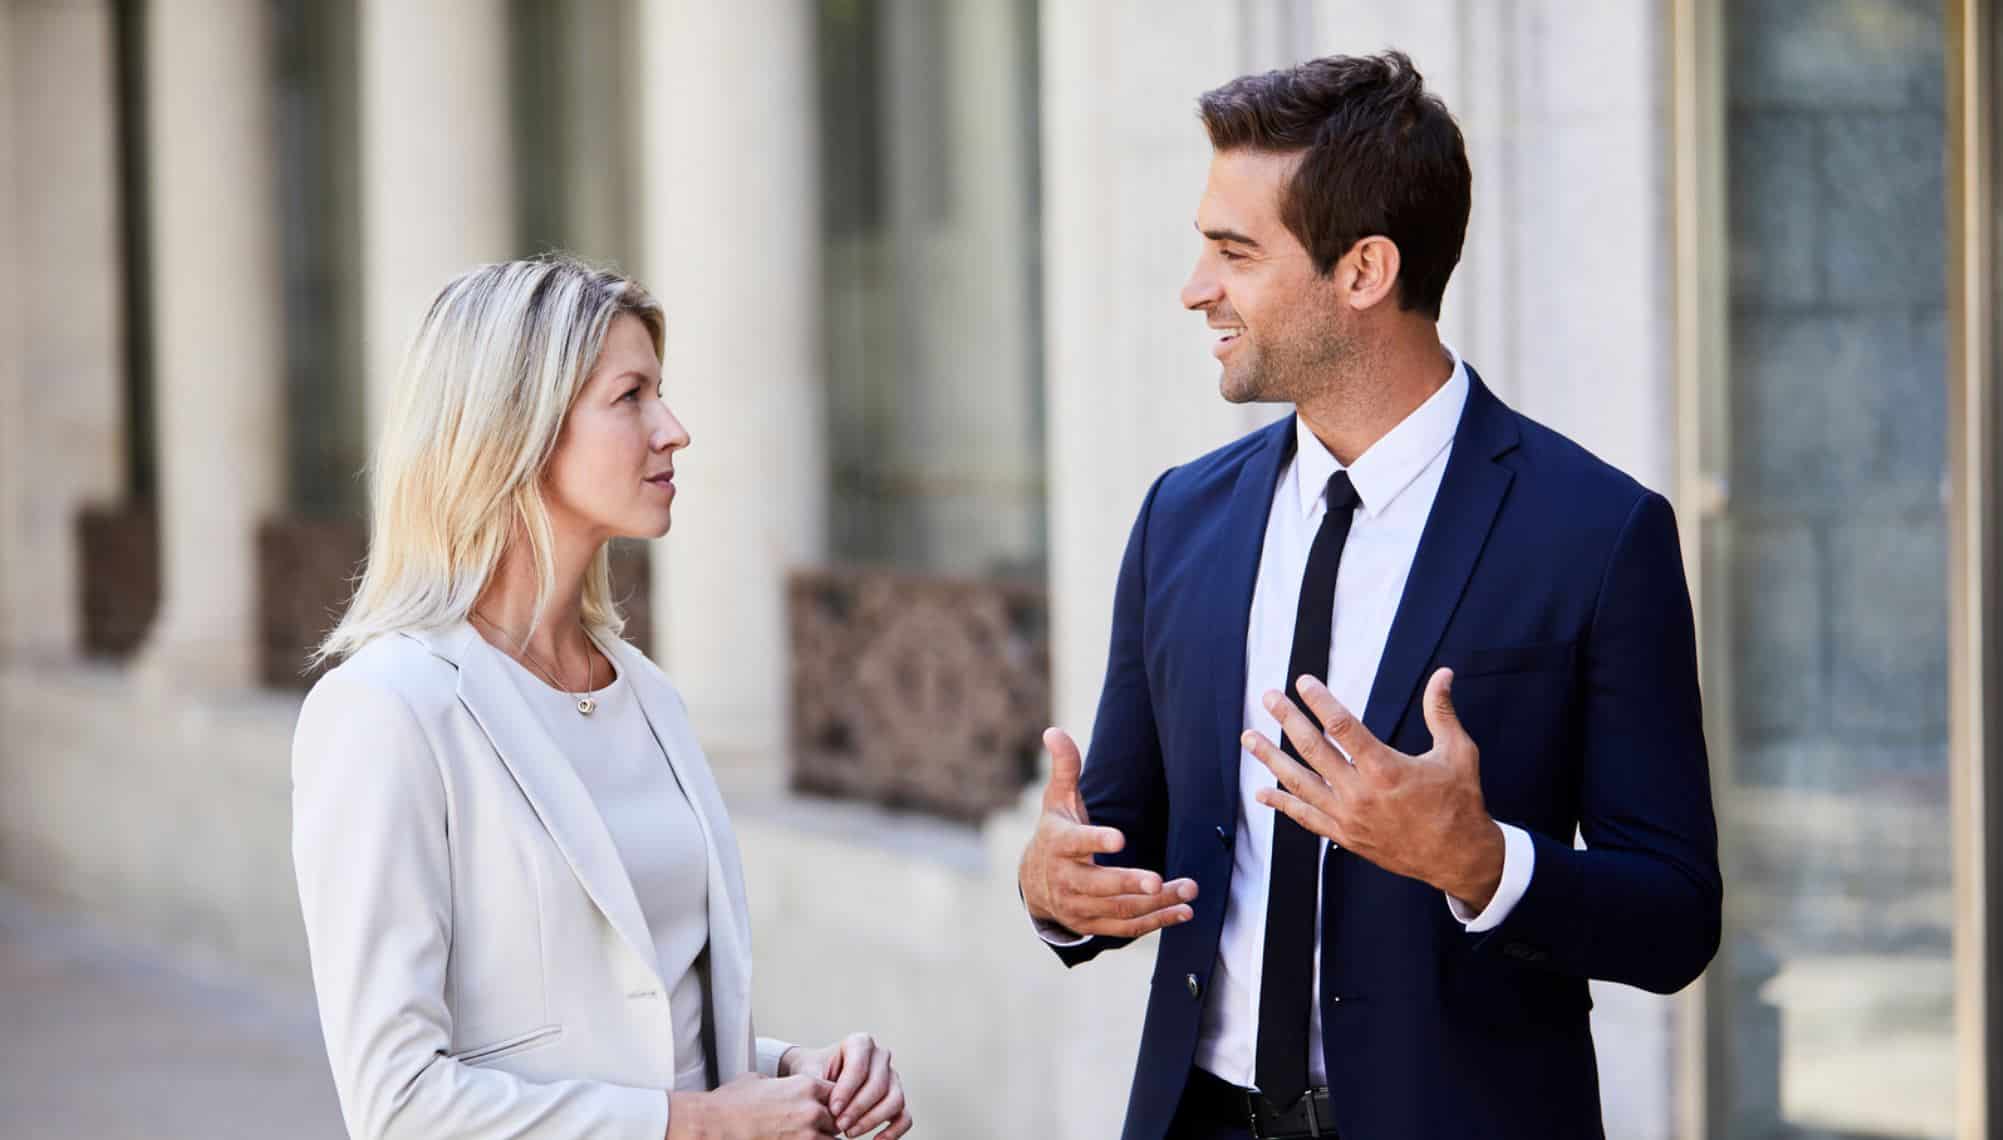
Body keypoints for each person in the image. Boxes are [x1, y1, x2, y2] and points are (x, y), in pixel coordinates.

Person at [1016, 52, 1720, 1140]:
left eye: (1233, 252)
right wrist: (1056, 888)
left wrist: (1479, 860)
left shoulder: (1596, 534)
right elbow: (1123, 842)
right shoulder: (1179, 519)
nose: (1194, 287)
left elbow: (1674, 921)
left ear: (1363, 271)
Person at [293, 255, 912, 1140]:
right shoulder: (387, 710)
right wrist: (699, 1125)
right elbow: (398, 1106)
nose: (674, 429)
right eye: (631, 397)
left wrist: (791, 1074)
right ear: (519, 428)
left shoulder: (646, 694)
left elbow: (635, 1024)